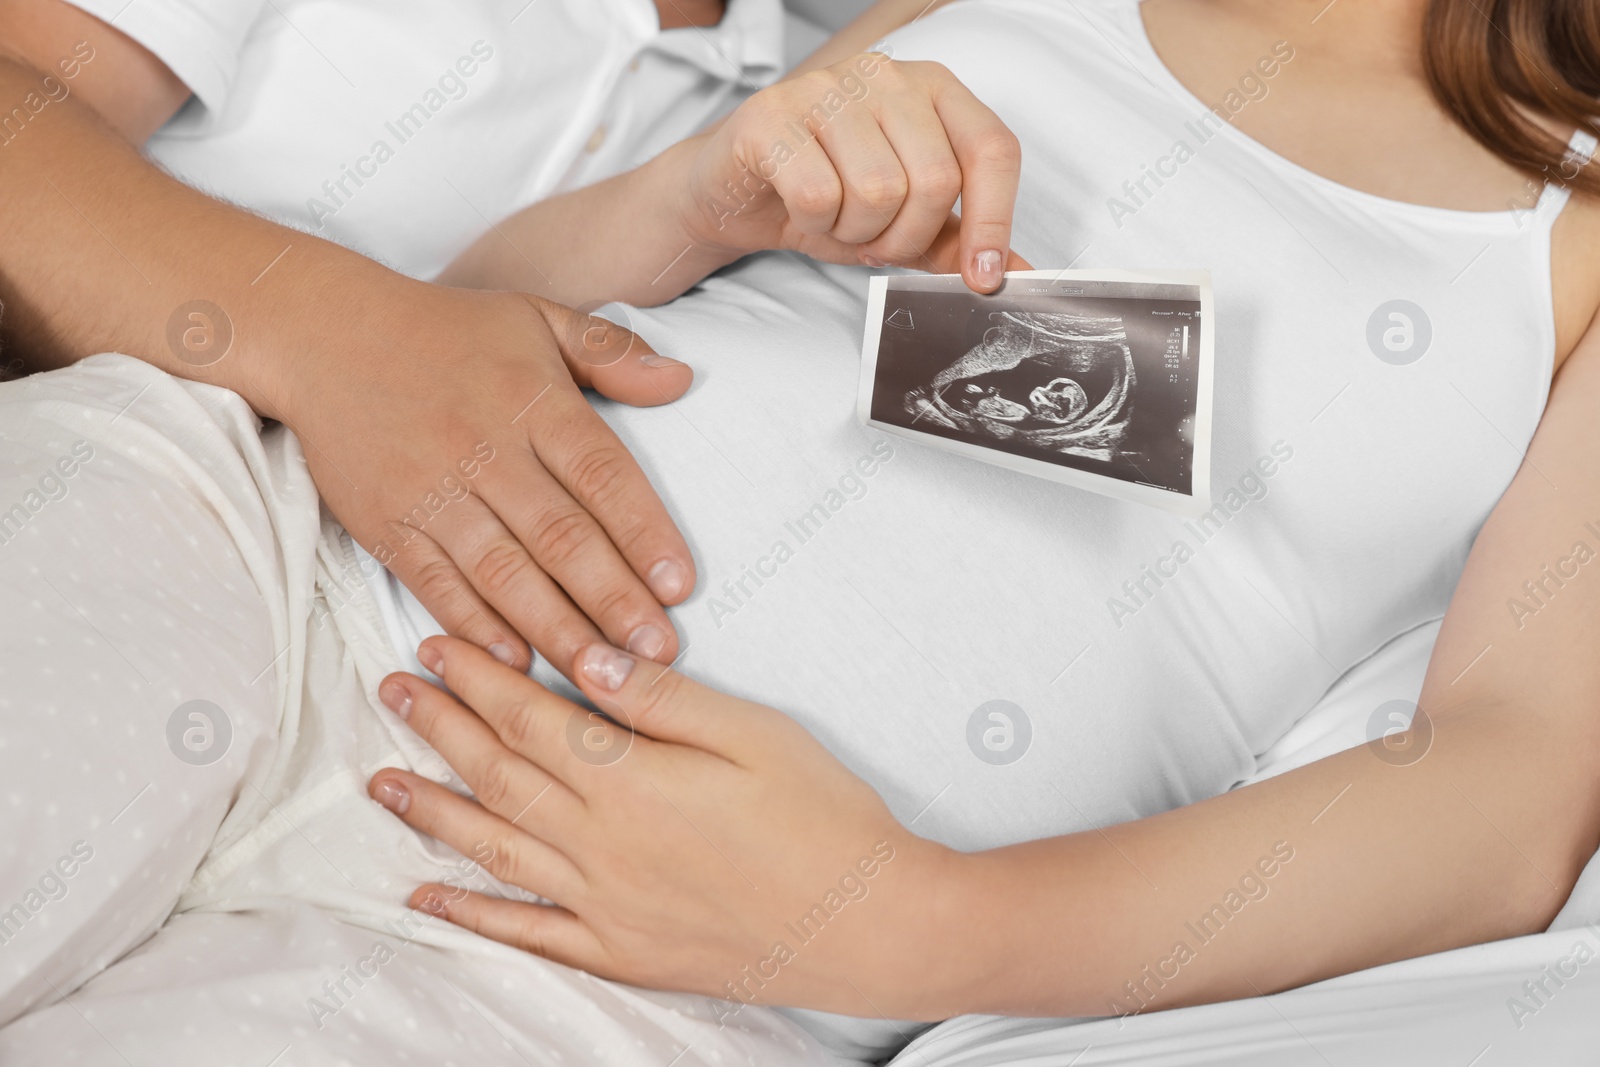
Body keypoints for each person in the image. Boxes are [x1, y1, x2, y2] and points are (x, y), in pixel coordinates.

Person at [2, 1, 1599, 1065]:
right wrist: (703, 200)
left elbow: (1509, 787)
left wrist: (908, 922)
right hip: (270, 561)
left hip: (638, 966)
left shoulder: (1578, 238)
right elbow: (480, 315)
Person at [0, 0, 1019, 679]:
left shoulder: (773, 86)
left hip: (353, 684)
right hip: (88, 520)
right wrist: (330, 337)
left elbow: (474, 326)